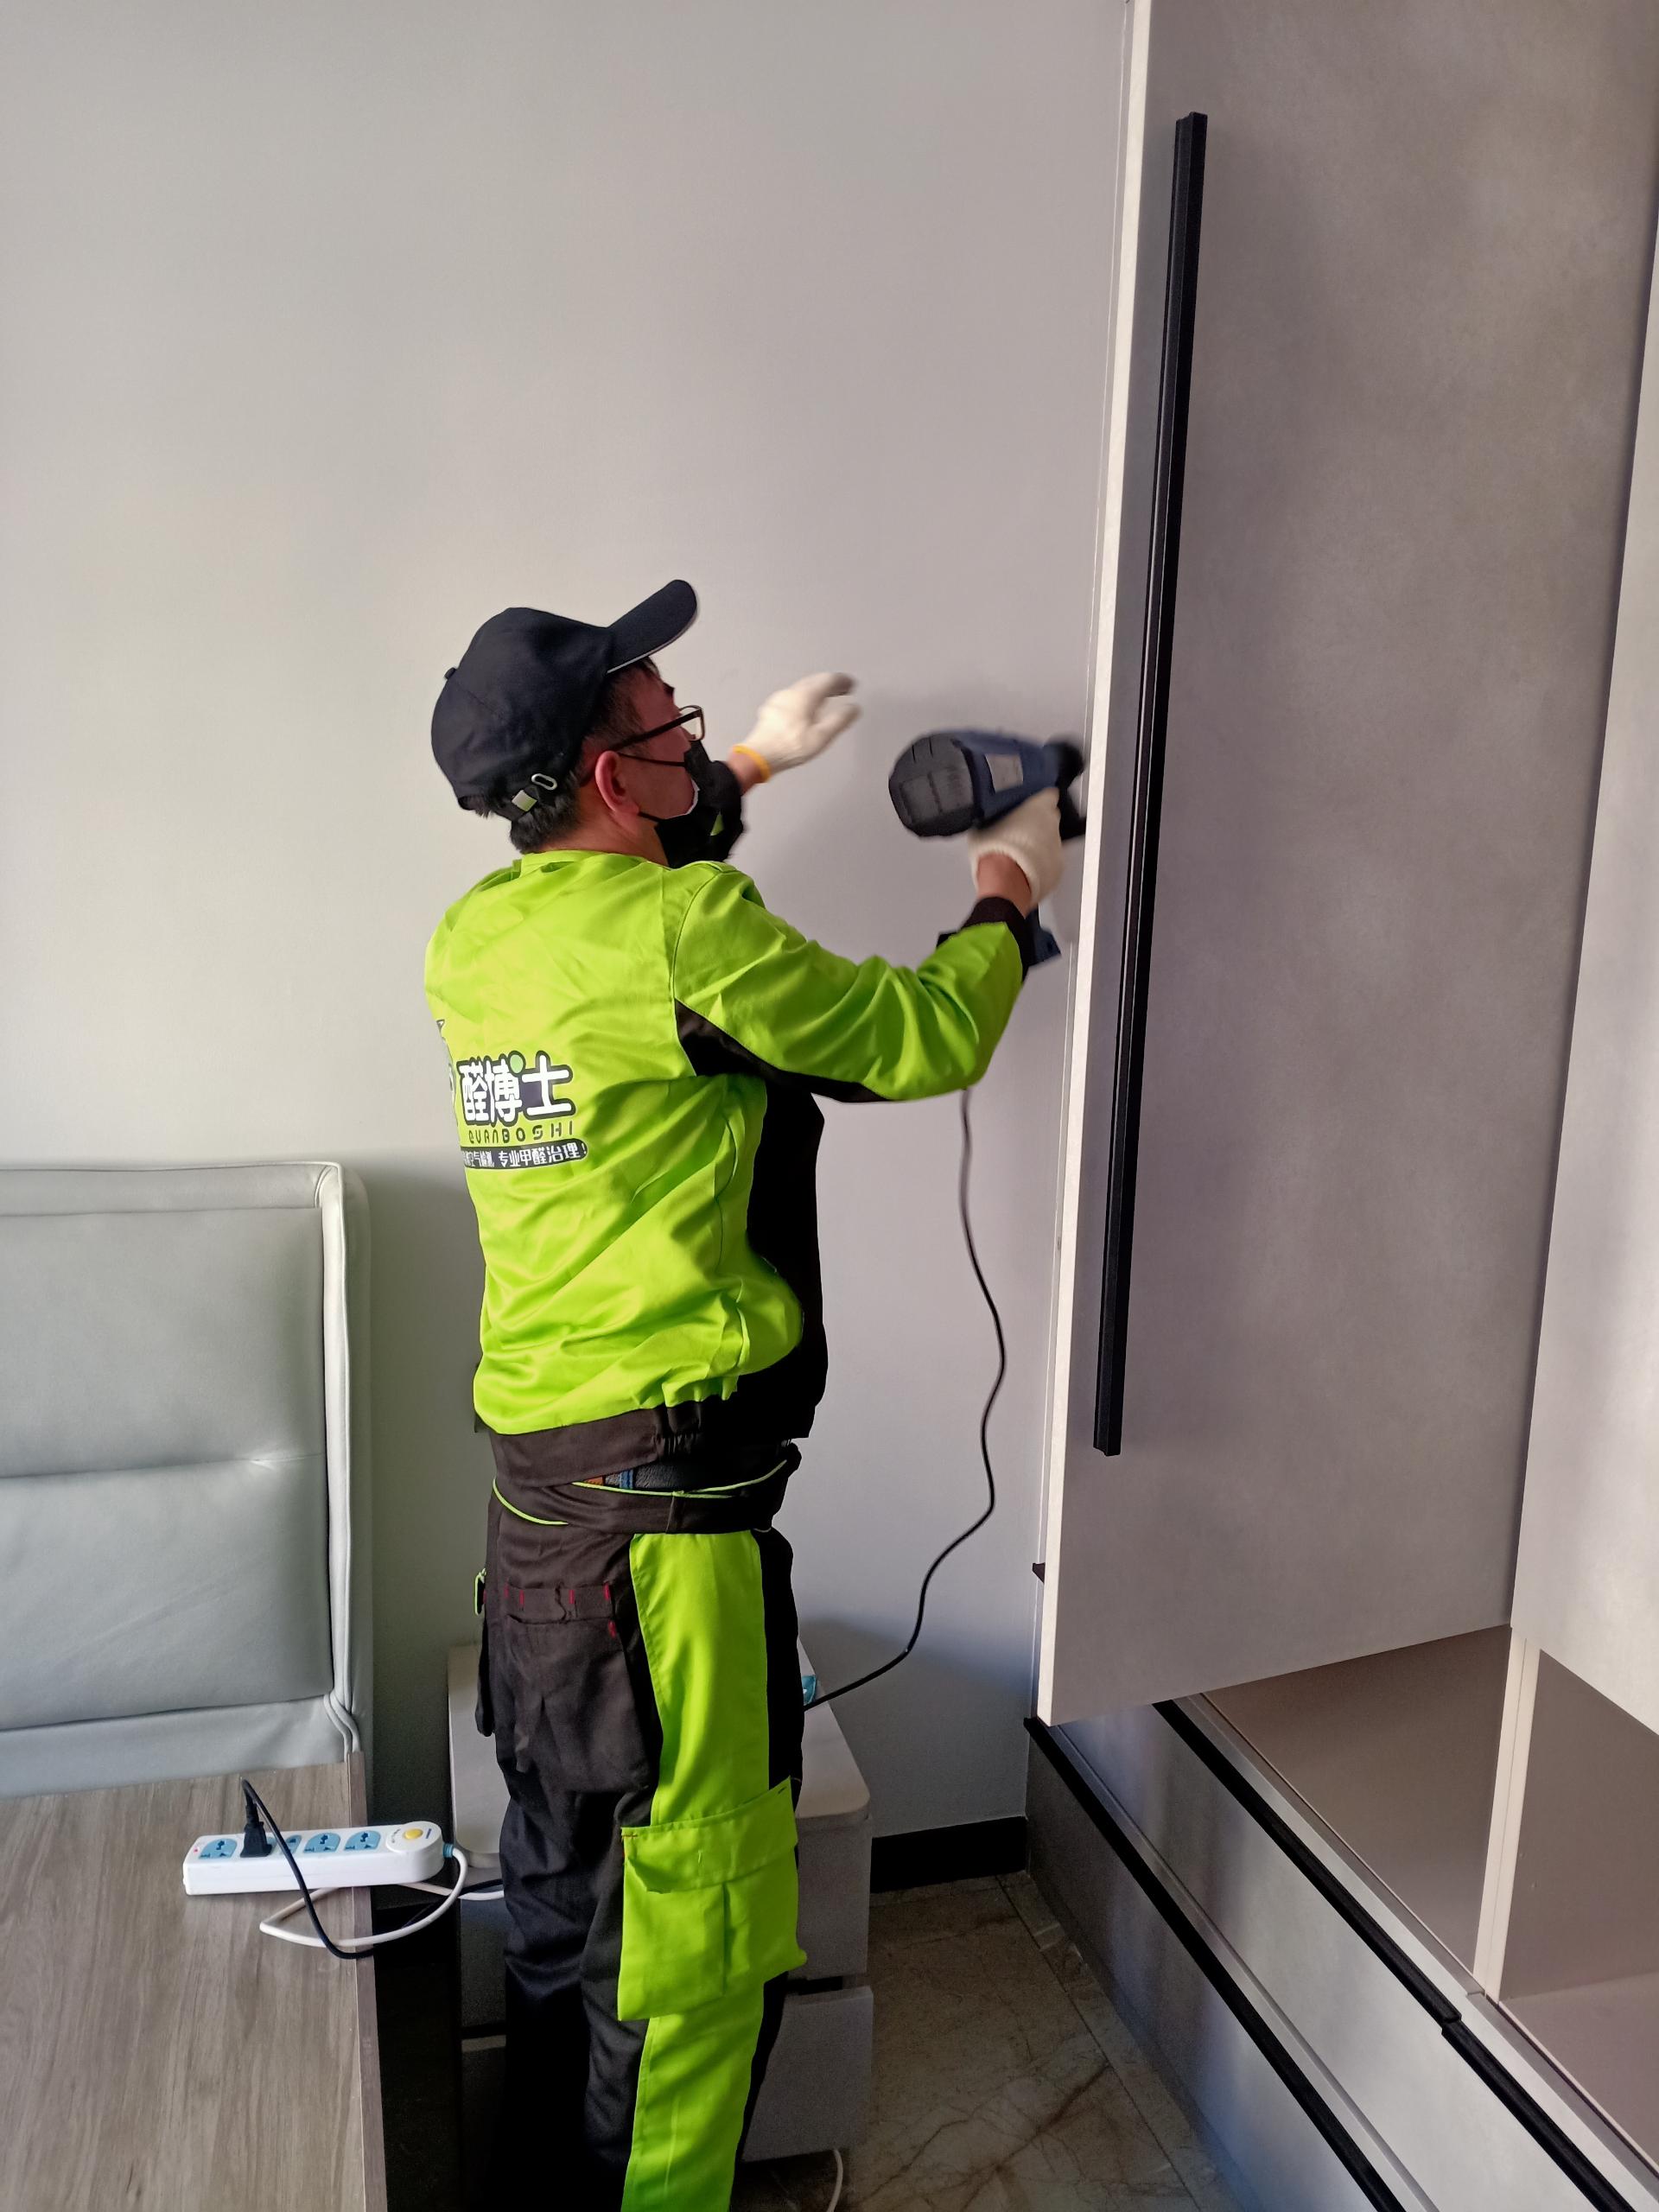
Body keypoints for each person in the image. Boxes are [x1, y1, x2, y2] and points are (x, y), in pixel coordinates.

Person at [424, 581, 1065, 2209]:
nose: (698, 739)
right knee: (692, 1957)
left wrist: (762, 768)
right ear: (604, 774)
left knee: (570, 1917)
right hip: (665, 1550)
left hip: (539, 1536)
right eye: (672, 725)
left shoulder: (477, 940)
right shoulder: (686, 936)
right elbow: (915, 1038)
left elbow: (640, 895)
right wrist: (1010, 890)